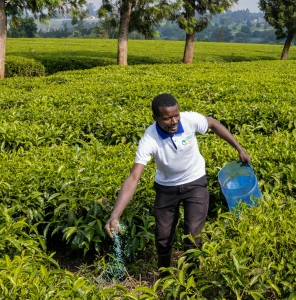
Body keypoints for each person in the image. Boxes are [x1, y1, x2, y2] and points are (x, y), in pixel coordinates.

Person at [104, 93, 251, 272]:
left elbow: (212, 123)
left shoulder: (189, 120)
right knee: (163, 238)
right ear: (155, 118)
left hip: (195, 182)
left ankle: (191, 280)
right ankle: (165, 276)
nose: (174, 121)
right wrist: (115, 215)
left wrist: (239, 148)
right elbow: (134, 177)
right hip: (166, 189)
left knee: (193, 238)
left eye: (176, 115)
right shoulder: (149, 138)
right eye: (167, 118)